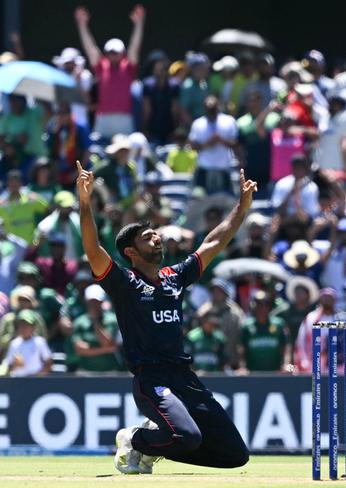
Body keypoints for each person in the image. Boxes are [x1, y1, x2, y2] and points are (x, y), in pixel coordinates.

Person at [76, 160, 256, 474]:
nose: (157, 238)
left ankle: (151, 441)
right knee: (186, 437)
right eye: (147, 237)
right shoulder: (125, 284)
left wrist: (241, 209)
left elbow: (212, 242)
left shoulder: (175, 277)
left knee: (234, 455)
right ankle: (137, 440)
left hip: (184, 377)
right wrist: (84, 203)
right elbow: (93, 250)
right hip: (152, 379)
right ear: (131, 252)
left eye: (156, 234)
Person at [74, 5, 145, 138]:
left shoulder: (128, 67)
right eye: (110, 52)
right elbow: (90, 48)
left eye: (116, 52)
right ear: (106, 54)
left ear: (122, 53)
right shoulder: (102, 66)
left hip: (124, 118)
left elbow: (134, 48)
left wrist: (139, 24)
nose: (113, 55)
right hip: (103, 118)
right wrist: (82, 25)